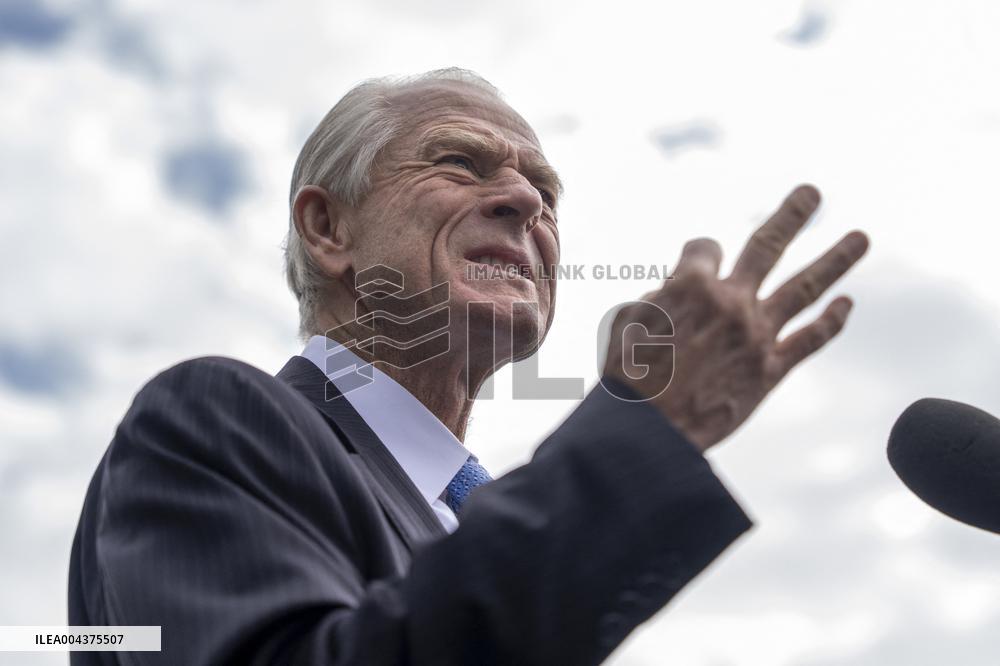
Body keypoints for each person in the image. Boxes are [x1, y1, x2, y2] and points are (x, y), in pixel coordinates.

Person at [68, 68, 869, 665]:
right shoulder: (214, 419)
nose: (525, 201)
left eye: (546, 191)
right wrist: (646, 432)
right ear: (328, 229)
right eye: (461, 162)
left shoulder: (479, 519)